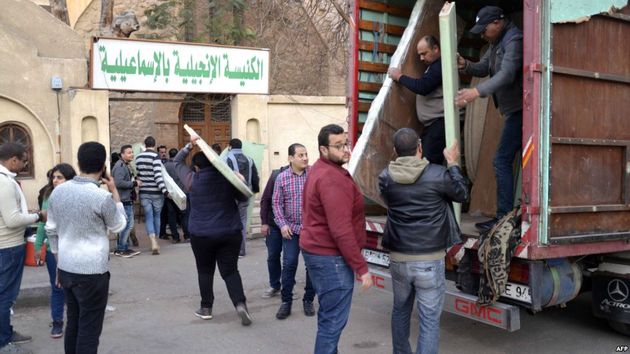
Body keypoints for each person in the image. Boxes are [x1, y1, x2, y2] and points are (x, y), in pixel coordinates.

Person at [378, 128, 469, 354]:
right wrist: (453, 164)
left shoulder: (385, 177)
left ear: (395, 151)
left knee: (400, 310)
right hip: (429, 259)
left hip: (399, 259)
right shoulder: (438, 174)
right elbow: (461, 194)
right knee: (429, 320)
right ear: (420, 147)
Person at [45, 142, 127, 354]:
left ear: (79, 163)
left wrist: (58, 264)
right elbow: (119, 225)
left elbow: (51, 230)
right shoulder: (101, 197)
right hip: (92, 273)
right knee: (89, 329)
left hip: (66, 268)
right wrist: (114, 191)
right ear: (103, 166)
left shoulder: (58, 192)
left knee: (73, 322)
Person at [300, 124, 373, 353]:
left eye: (346, 144)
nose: (346, 150)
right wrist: (361, 268)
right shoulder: (332, 178)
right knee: (332, 323)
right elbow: (340, 230)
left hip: (319, 252)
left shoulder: (322, 169)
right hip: (330, 257)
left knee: (328, 318)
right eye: (339, 146)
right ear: (323, 149)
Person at [455, 5, 523, 232]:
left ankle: (504, 219)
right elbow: (485, 67)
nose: (482, 35)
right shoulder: (496, 43)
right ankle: (506, 217)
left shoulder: (513, 40)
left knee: (501, 160)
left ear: (497, 22)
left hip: (522, 111)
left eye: (484, 30)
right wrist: (465, 64)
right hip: (512, 110)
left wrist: (476, 92)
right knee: (504, 161)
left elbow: (507, 73)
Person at [174, 136, 252, 326]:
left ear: (197, 167)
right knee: (231, 271)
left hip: (202, 235)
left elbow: (176, 162)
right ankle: (240, 304)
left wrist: (188, 146)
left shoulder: (192, 179)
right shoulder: (228, 178)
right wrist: (241, 181)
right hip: (229, 231)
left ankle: (206, 308)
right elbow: (244, 199)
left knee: (205, 271)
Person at [0, 143, 41, 354]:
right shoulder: (4, 182)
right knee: (5, 296)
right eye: (24, 160)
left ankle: (6, 331)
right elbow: (13, 219)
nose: (25, 164)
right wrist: (37, 216)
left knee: (5, 295)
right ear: (13, 160)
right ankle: (3, 342)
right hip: (8, 246)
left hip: (6, 245)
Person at [272, 143, 316, 319]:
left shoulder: (313, 174)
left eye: (306, 154)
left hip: (311, 231)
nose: (305, 158)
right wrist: (282, 224)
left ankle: (308, 300)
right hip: (291, 230)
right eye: (300, 155)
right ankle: (286, 301)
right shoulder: (281, 178)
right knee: (289, 264)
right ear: (290, 158)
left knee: (312, 266)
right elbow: (276, 203)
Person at [388, 35, 446, 165]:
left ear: (436, 48)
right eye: (419, 55)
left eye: (424, 54)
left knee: (429, 163)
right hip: (434, 124)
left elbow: (423, 87)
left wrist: (399, 76)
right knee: (426, 161)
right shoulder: (434, 66)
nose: (421, 58)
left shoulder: (440, 65)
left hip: (440, 123)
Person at [35, 163, 77, 339]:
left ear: (69, 178)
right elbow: (43, 223)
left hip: (75, 247)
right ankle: (57, 322)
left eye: (59, 177)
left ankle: (76, 321)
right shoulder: (49, 195)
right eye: (53, 177)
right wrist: (38, 246)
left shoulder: (77, 195)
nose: (55, 180)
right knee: (57, 286)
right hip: (55, 249)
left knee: (76, 286)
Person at [225, 138, 260, 257]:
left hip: (230, 195)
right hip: (245, 195)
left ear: (230, 146)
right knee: (242, 222)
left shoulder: (227, 158)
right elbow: (255, 177)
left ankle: (230, 249)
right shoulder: (249, 160)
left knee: (229, 222)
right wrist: (254, 190)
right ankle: (241, 250)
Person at [259, 163, 289, 298]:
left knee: (289, 259)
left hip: (291, 226)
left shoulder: (303, 176)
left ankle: (288, 286)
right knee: (273, 256)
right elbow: (265, 200)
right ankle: (275, 285)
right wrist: (264, 223)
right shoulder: (276, 176)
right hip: (273, 225)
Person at [135, 136, 169, 254]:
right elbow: (158, 175)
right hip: (156, 192)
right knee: (157, 216)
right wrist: (164, 190)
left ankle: (152, 240)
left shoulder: (138, 157)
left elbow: (138, 174)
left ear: (145, 144)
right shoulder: (155, 156)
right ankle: (156, 241)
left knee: (149, 217)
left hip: (144, 191)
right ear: (154, 145)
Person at [112, 145, 142, 258]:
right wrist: (134, 183)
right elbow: (119, 183)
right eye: (129, 153)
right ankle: (121, 248)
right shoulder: (120, 166)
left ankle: (122, 247)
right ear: (122, 154)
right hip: (123, 199)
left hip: (125, 198)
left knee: (125, 225)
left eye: (132, 152)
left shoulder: (125, 164)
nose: (132, 154)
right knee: (128, 225)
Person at [163, 148, 186, 243]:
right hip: (181, 193)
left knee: (171, 216)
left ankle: (175, 237)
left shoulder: (165, 166)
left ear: (169, 155)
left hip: (170, 195)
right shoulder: (181, 165)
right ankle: (187, 235)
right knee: (184, 215)